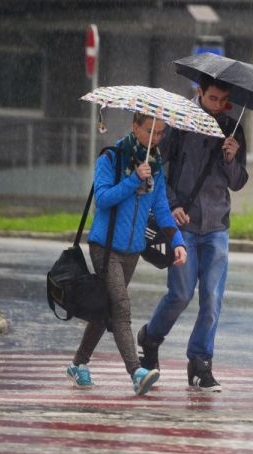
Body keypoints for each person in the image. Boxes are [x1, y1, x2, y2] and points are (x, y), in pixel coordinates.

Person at [137, 75, 248, 393]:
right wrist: (171, 205)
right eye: (213, 98)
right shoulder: (179, 123)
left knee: (212, 299)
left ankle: (200, 363)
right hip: (183, 226)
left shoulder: (232, 128)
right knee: (181, 295)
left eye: (223, 100)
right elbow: (157, 167)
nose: (218, 105)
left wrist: (229, 157)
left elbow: (238, 181)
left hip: (217, 228)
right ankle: (150, 338)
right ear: (200, 93)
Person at [66, 113, 187, 397]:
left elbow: (161, 210)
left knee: (104, 309)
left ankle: (78, 363)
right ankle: (136, 372)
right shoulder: (111, 158)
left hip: (132, 251)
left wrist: (178, 242)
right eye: (150, 131)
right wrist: (133, 179)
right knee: (121, 308)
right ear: (135, 127)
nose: (155, 139)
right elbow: (103, 199)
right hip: (105, 248)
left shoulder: (155, 168)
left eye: (160, 134)